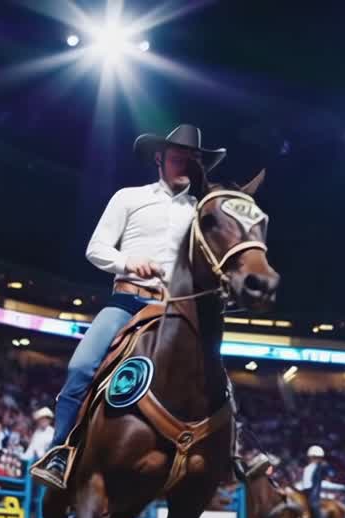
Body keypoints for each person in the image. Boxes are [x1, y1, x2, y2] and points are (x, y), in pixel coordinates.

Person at [31, 124, 226, 489]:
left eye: (192, 158)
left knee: (215, 369)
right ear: (159, 158)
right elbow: (96, 248)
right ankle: (60, 450)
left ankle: (232, 448)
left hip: (176, 310)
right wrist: (127, 262)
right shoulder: (128, 198)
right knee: (82, 365)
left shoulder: (201, 211)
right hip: (127, 300)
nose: (184, 163)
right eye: (177, 156)